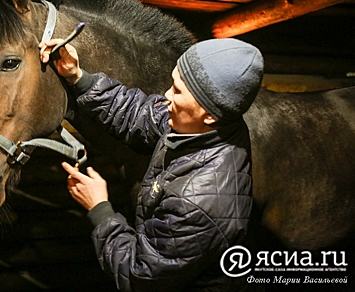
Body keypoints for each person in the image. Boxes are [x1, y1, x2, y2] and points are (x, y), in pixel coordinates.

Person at [39, 37, 264, 292]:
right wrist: (78, 77)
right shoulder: (206, 125)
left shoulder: (198, 201)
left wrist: (100, 208)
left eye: (178, 91)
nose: (167, 95)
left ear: (210, 114)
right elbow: (138, 113)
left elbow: (140, 276)